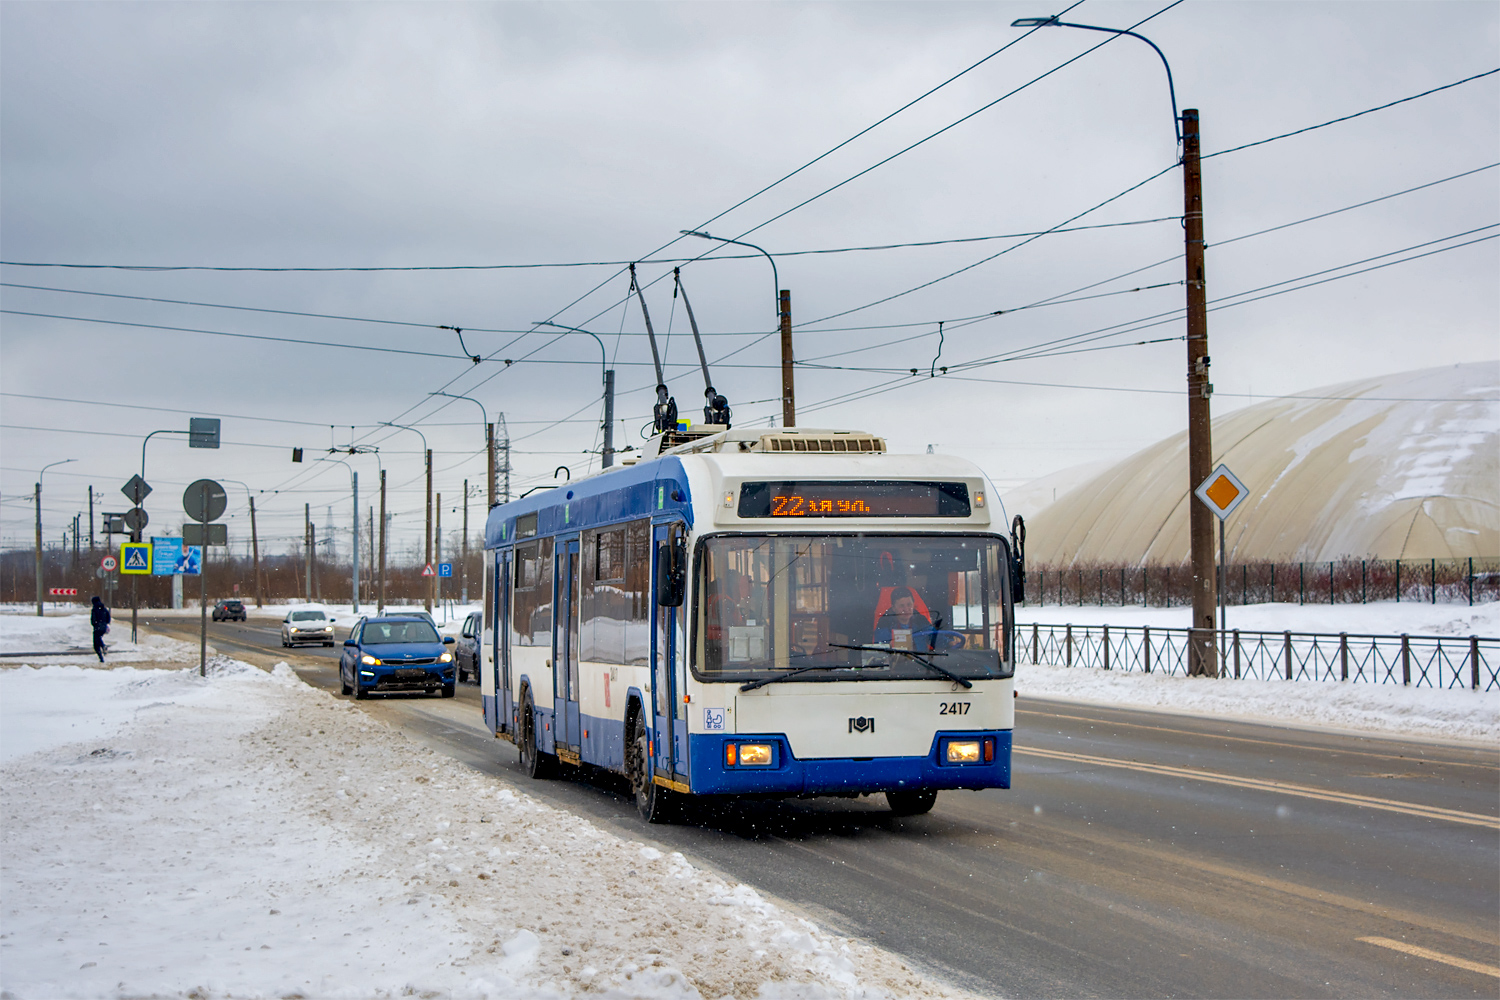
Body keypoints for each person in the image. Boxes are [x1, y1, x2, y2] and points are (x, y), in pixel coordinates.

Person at [90, 595, 111, 663]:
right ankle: (103, 647)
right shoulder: (104, 608)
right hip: (103, 627)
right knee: (98, 639)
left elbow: (93, 620)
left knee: (96, 644)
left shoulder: (94, 609)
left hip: (97, 628)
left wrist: (95, 624)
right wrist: (104, 623)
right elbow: (108, 618)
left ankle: (101, 658)